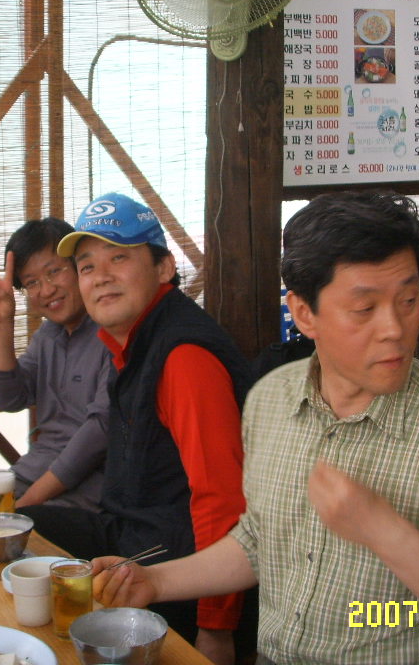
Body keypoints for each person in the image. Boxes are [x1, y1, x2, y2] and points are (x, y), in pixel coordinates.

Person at [91, 191, 419, 664]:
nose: (395, 329)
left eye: (409, 300)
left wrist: (386, 533)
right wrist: (157, 581)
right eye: (364, 308)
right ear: (303, 313)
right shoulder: (272, 400)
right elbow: (258, 540)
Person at [17, 192, 251, 665]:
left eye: (119, 258)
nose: (101, 276)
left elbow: (223, 499)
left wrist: (215, 630)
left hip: (177, 569)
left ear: (163, 268)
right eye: (87, 266)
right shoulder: (133, 342)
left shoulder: (183, 358)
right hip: (132, 539)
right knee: (21, 530)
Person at [0, 217, 111, 510]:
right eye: (32, 283)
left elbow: (98, 435)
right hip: (33, 473)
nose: (46, 289)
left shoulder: (112, 331)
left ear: (80, 266)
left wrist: (26, 504)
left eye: (54, 272)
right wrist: (0, 324)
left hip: (88, 491)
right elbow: (10, 399)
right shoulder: (48, 335)